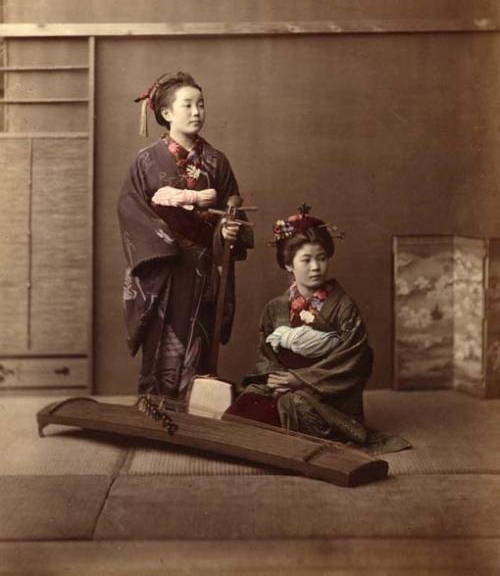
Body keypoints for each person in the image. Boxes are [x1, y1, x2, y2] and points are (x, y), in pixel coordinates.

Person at [226, 204, 409, 453]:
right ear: (288, 264)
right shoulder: (276, 307)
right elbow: (266, 356)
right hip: (285, 385)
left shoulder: (343, 306)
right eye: (307, 260)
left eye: (321, 258)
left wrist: (299, 380)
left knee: (295, 407)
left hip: (328, 397)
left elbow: (354, 359)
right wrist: (277, 379)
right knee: (244, 406)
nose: (315, 267)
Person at [117, 72, 253, 398]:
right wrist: (165, 240)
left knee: (198, 335)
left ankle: (195, 408)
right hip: (164, 267)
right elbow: (130, 209)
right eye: (188, 105)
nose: (197, 112)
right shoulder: (146, 160)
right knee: (164, 338)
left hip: (203, 266)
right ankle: (157, 407)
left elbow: (231, 210)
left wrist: (228, 229)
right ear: (166, 113)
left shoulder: (217, 162)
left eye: (201, 105)